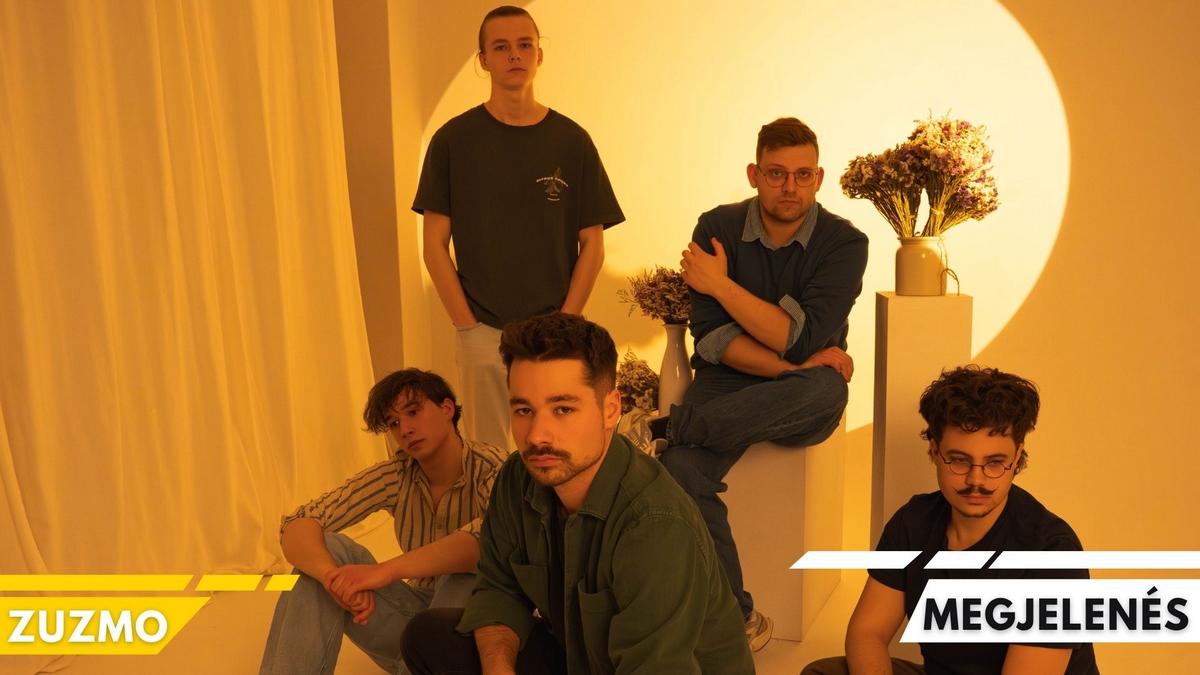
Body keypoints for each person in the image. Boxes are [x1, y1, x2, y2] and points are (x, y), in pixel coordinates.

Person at [399, 312, 754, 675]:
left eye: (563, 409)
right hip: (581, 657)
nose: (537, 435)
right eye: (524, 410)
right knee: (428, 636)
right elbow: (499, 589)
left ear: (610, 409)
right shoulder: (518, 478)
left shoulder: (654, 524)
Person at [628, 117, 868, 650]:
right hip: (728, 383)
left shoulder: (845, 242)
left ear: (819, 178)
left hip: (799, 401)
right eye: (776, 173)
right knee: (680, 470)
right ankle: (738, 619)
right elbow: (714, 339)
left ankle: (668, 427)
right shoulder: (716, 226)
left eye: (802, 175)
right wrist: (791, 366)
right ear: (754, 174)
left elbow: (799, 339)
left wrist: (720, 285)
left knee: (827, 389)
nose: (790, 186)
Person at [412, 5, 625, 451]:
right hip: (482, 330)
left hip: (554, 334)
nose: (515, 55)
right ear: (483, 60)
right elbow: (433, 246)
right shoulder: (453, 141)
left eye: (525, 44)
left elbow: (593, 244)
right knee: (489, 456)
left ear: (539, 55)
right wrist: (467, 328)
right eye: (501, 47)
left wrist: (566, 322)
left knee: (553, 449)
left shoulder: (572, 141)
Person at [801, 365, 1100, 675]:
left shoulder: (1052, 554)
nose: (976, 480)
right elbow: (868, 632)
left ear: (1016, 457)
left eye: (994, 463)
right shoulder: (914, 523)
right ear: (935, 450)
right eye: (959, 461)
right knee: (822, 673)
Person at [259, 369, 506, 675]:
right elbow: (299, 522)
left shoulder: (495, 469)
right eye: (394, 423)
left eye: (413, 412)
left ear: (446, 408)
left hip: (476, 635)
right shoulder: (397, 474)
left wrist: (383, 572)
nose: (405, 430)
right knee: (328, 552)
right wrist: (333, 580)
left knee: (464, 577)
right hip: (410, 625)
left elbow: (490, 540)